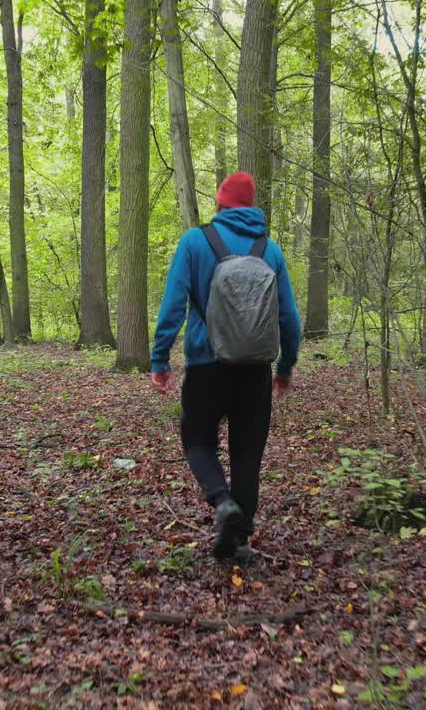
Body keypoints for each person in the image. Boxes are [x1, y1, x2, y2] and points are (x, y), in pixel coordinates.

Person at [150, 171, 301, 566]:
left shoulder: (195, 241)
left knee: (197, 440)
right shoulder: (270, 250)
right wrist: (285, 366)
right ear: (252, 207)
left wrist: (160, 358)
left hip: (205, 366)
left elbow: (173, 305)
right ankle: (239, 544)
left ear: (219, 203)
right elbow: (290, 320)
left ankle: (221, 501)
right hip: (255, 371)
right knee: (247, 457)